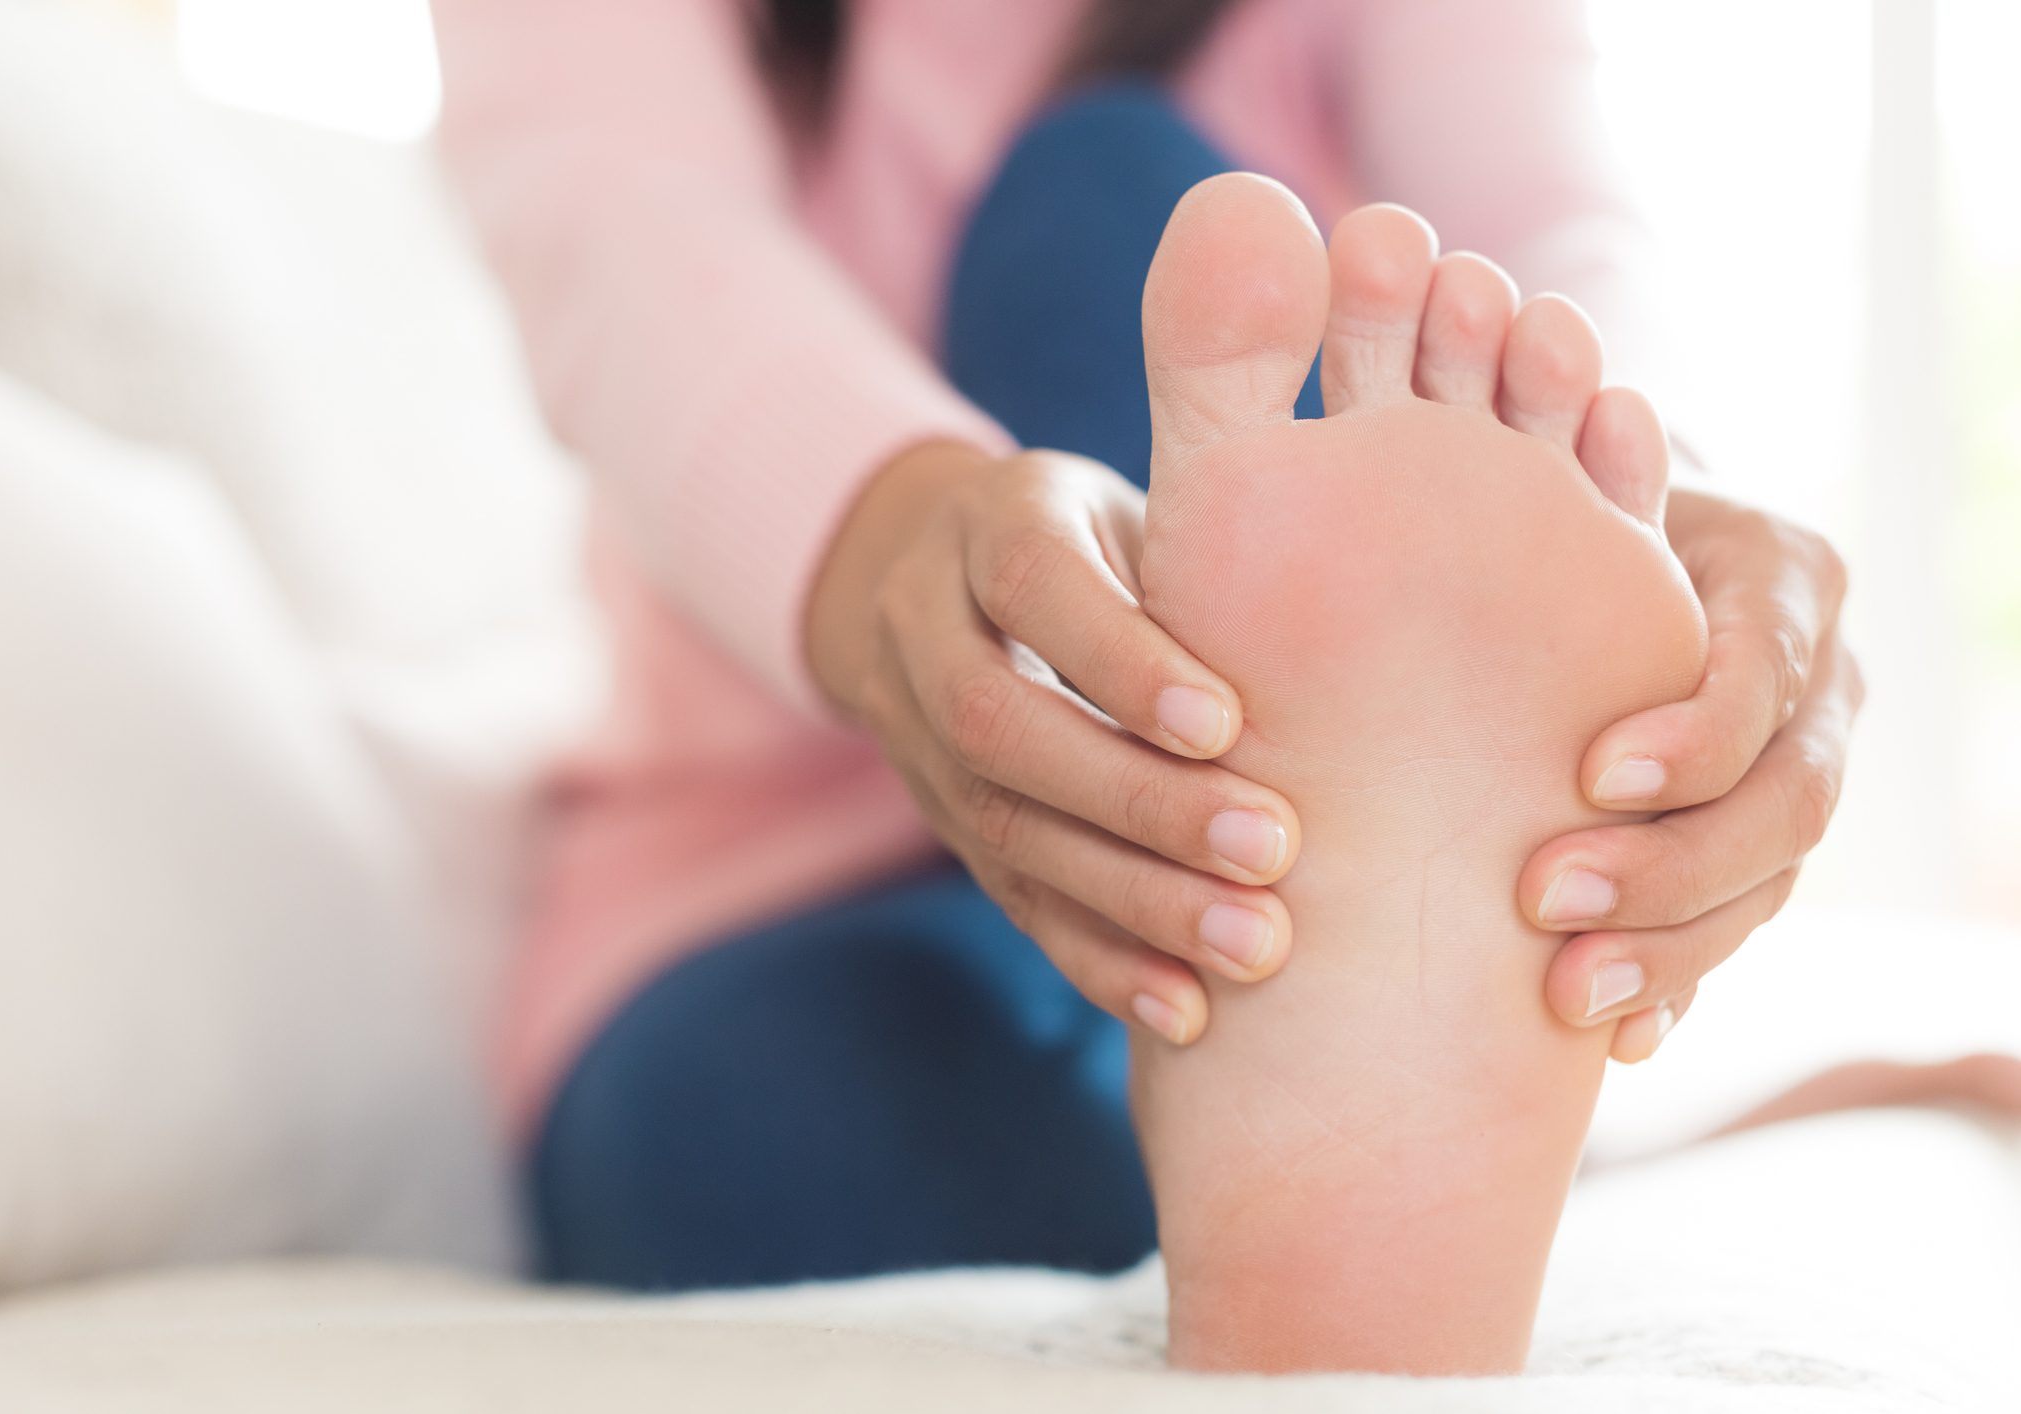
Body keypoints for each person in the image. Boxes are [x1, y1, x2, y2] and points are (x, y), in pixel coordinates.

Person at [428, 0, 1864, 1366]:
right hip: (765, 892)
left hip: (1216, 889)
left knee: (1107, 199)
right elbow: (623, 237)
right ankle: (1340, 1091)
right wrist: (908, 548)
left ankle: (1309, 978)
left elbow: (1553, 225)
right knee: (738, 1123)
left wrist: (1682, 521)